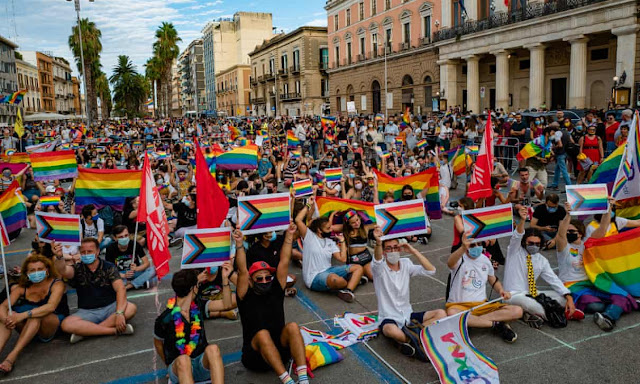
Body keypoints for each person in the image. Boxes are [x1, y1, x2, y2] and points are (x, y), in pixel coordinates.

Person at [235, 225, 310, 384]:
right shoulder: (245, 296)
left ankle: (303, 380)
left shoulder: (275, 289)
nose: (264, 281)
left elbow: (283, 262)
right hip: (255, 357)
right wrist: (239, 244)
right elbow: (242, 270)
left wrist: (289, 235)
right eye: (259, 278)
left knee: (293, 327)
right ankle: (287, 381)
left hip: (280, 351)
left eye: (267, 277)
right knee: (262, 334)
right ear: (250, 281)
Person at [556, 204, 637, 331]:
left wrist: (608, 209)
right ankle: (614, 307)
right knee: (596, 306)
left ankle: (608, 317)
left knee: (621, 295)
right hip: (573, 284)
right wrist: (567, 215)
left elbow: (603, 228)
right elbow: (560, 236)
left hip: (593, 282)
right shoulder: (563, 248)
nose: (568, 233)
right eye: (567, 231)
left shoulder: (588, 245)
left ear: (581, 233)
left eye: (572, 231)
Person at [372, 230, 446, 357]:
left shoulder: (406, 263)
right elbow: (377, 260)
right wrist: (378, 243)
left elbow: (431, 270)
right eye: (389, 249)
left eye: (395, 247)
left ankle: (409, 340)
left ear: (400, 249)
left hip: (408, 315)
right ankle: (416, 337)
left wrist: (413, 251)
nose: (393, 251)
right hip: (389, 318)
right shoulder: (379, 269)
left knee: (441, 314)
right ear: (384, 252)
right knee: (391, 331)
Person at [502, 207, 576, 328]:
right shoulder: (514, 252)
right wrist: (522, 220)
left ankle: (531, 314)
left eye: (537, 244)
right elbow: (517, 236)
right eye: (530, 243)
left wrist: (568, 297)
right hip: (513, 295)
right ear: (524, 242)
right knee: (530, 303)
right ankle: (557, 313)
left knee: (561, 298)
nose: (534, 246)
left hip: (532, 293)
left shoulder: (542, 260)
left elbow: (553, 279)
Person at [54, 238, 137, 343]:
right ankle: (112, 330)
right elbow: (63, 270)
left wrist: (119, 313)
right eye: (83, 252)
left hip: (111, 307)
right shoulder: (77, 268)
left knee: (131, 308)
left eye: (89, 251)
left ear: (97, 251)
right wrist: (59, 256)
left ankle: (87, 332)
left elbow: (120, 289)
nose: (86, 254)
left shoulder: (109, 267)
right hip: (87, 312)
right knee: (66, 324)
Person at [446, 233, 523, 342]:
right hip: (459, 306)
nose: (477, 247)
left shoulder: (485, 260)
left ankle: (473, 322)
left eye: (479, 244)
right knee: (451, 313)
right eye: (472, 245)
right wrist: (463, 247)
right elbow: (450, 263)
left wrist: (501, 290)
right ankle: (495, 324)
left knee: (517, 310)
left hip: (482, 305)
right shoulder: (459, 258)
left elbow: (493, 280)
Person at [154, 269, 225, 384]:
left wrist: (226, 280)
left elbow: (226, 304)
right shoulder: (165, 318)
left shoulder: (198, 305)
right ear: (194, 288)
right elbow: (158, 343)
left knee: (213, 349)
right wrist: (169, 364)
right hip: (180, 368)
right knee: (183, 360)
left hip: (201, 364)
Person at [0, 254, 68, 374]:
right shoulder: (22, 288)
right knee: (6, 318)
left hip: (50, 326)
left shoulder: (57, 284)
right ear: (26, 273)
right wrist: (7, 319)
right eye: (32, 270)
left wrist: (22, 315)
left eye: (40, 269)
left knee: (35, 316)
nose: (36, 272)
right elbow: (3, 306)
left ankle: (11, 357)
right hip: (28, 329)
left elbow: (50, 307)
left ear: (47, 270)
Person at [296, 197, 364, 303]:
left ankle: (347, 290)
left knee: (358, 268)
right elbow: (298, 220)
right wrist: (308, 205)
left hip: (329, 270)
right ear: (319, 230)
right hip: (314, 277)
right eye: (328, 228)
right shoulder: (309, 236)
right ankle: (352, 281)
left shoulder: (330, 242)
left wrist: (342, 242)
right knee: (335, 279)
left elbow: (342, 259)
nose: (330, 230)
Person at [105, 225, 155, 290]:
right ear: (115, 238)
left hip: (134, 272)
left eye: (126, 235)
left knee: (154, 269)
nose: (124, 238)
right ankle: (139, 281)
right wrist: (123, 275)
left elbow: (146, 263)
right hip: (119, 273)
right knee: (107, 278)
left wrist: (137, 268)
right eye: (121, 237)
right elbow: (109, 269)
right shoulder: (110, 248)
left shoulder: (135, 244)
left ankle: (129, 286)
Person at [337, 209, 377, 281]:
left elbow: (379, 222)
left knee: (373, 276)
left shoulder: (365, 228)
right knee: (353, 277)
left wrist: (363, 211)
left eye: (357, 220)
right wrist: (332, 214)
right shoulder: (345, 230)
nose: (356, 223)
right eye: (353, 222)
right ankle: (361, 275)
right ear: (348, 224)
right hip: (353, 260)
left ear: (360, 217)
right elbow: (330, 227)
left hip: (366, 258)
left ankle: (363, 274)